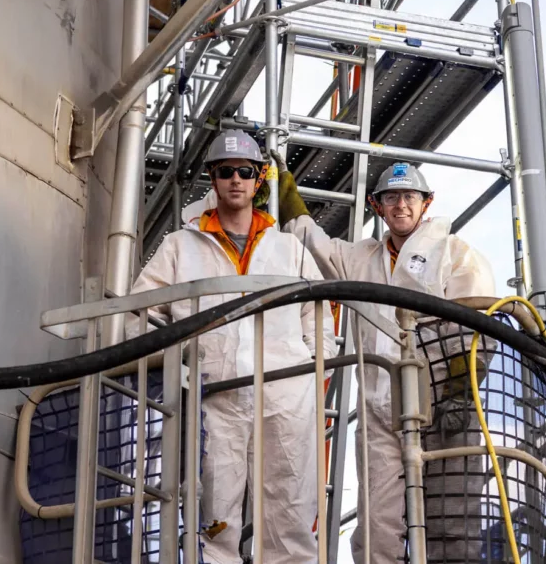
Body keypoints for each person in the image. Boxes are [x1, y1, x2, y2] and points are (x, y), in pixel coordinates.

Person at [127, 129, 336, 564]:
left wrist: (316, 366)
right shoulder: (181, 246)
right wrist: (184, 362)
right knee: (214, 513)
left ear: (260, 179)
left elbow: (318, 318)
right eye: (226, 172)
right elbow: (140, 313)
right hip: (215, 394)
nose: (236, 180)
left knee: (291, 513)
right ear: (213, 178)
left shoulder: (288, 248)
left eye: (246, 171)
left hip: (286, 393)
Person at [276, 158, 496, 564]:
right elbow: (316, 246)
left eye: (409, 196)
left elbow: (476, 327)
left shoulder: (454, 253)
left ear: (426, 202)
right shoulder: (362, 258)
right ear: (378, 207)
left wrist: (460, 390)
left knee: (453, 517)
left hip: (445, 404)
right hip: (380, 410)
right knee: (378, 524)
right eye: (391, 198)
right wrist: (285, 193)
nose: (401, 206)